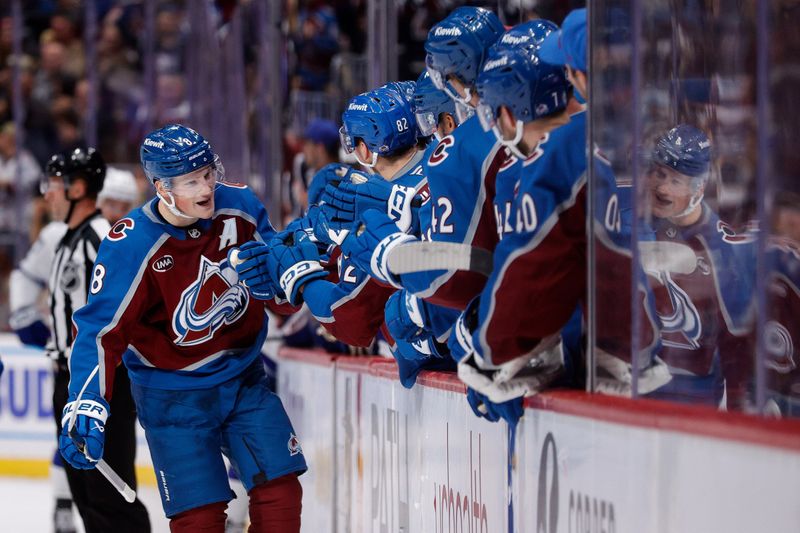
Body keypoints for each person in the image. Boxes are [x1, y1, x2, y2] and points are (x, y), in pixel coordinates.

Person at [57, 125, 306, 532]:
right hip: (171, 397)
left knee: (280, 488)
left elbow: (280, 291)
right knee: (199, 519)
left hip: (243, 377)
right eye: (192, 181)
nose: (207, 187)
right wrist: (86, 401)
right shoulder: (131, 243)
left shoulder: (239, 205)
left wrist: (279, 280)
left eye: (208, 173)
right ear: (161, 187)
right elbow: (99, 331)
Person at [42, 147, 151, 533]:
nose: (47, 194)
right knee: (86, 491)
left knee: (109, 490)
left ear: (79, 187)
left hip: (98, 383)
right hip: (68, 379)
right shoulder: (69, 239)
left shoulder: (101, 236)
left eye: (54, 185)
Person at [642, 125, 755, 409]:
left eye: (676, 181)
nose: (662, 188)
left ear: (699, 189)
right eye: (660, 174)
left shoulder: (723, 249)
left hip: (692, 398)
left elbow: (737, 343)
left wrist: (741, 405)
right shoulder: (636, 222)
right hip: (635, 388)